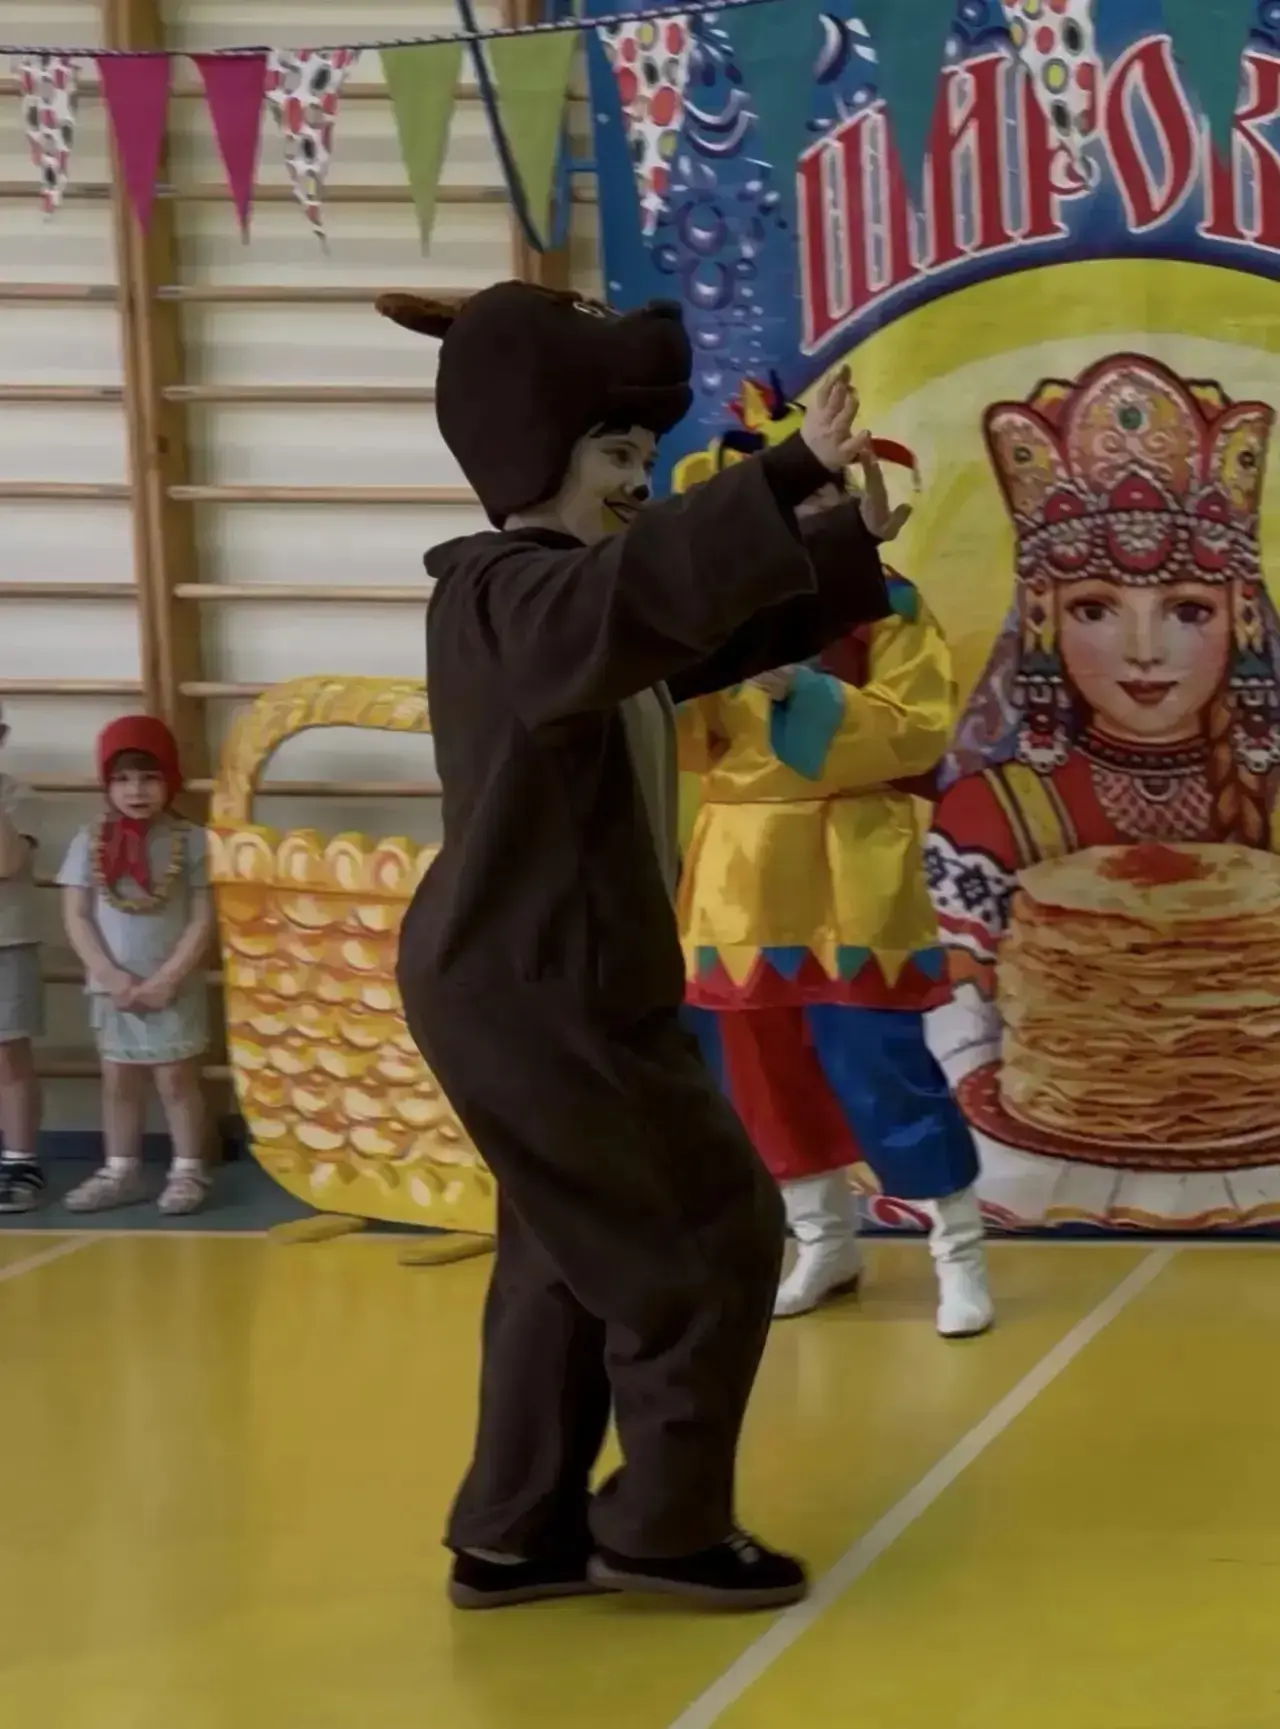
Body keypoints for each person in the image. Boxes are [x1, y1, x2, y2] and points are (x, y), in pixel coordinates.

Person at [378, 279, 892, 1613]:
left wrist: (841, 545)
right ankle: (662, 1521)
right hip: (542, 991)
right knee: (708, 1235)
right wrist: (784, 472)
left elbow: (689, 625)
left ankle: (515, 1528)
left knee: (565, 1253)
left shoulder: (572, 616)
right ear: (530, 453)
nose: (637, 481)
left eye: (643, 456)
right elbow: (648, 590)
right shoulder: (512, 597)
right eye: (615, 454)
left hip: (536, 982)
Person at [925, 353, 1280, 1223]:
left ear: (1240, 620)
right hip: (1045, 1168)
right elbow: (959, 1024)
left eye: (1188, 610)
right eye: (1095, 608)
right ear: (1043, 623)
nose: (1144, 649)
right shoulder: (990, 815)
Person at [675, 388, 991, 1337]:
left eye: (824, 491)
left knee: (885, 1065)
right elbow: (690, 743)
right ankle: (824, 1241)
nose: (810, 509)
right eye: (791, 494)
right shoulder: (714, 609)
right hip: (741, 873)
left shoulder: (890, 602)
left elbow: (918, 728)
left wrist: (804, 695)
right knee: (762, 1073)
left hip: (852, 862)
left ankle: (958, 1251)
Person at [58, 715, 214, 1216]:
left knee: (176, 1080)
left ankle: (188, 1169)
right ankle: (121, 1169)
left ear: (170, 778)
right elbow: (77, 914)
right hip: (113, 988)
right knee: (118, 1080)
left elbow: (203, 918)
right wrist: (109, 976)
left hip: (173, 986)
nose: (136, 790)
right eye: (122, 779)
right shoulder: (89, 841)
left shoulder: (193, 841)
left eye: (149, 777)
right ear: (106, 785)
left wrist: (168, 979)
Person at [0, 703, 44, 1213]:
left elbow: (8, 862)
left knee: (9, 1055)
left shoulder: (17, 796)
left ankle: (19, 1162)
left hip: (6, 941)